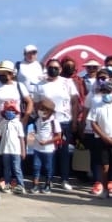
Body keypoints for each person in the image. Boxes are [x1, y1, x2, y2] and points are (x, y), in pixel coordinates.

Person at [37, 59, 80, 190]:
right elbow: (36, 104)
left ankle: (65, 179)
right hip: (47, 123)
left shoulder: (67, 82)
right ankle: (47, 179)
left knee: (64, 152)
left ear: (60, 69)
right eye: (51, 67)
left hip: (64, 121)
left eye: (56, 67)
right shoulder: (41, 84)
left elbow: (74, 102)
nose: (53, 69)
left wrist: (74, 120)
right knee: (48, 152)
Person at [86, 74, 112, 199]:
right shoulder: (97, 107)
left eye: (108, 91)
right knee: (104, 165)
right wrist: (104, 136)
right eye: (104, 91)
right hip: (101, 140)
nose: (106, 94)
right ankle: (104, 189)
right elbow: (93, 123)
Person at [0, 100, 28, 194]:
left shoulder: (18, 123)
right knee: (6, 168)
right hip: (5, 149)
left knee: (17, 168)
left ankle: (21, 185)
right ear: (4, 112)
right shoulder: (2, 123)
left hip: (16, 150)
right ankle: (7, 184)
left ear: (15, 112)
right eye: (8, 110)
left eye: (12, 110)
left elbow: (21, 138)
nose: (10, 112)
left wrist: (23, 151)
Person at [31, 98, 61, 193]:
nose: (41, 111)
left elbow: (59, 136)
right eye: (40, 109)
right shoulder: (37, 120)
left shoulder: (54, 122)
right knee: (36, 166)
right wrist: (33, 136)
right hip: (37, 148)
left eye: (44, 109)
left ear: (50, 112)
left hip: (48, 149)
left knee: (48, 167)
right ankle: (35, 185)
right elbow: (34, 131)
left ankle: (47, 184)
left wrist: (47, 142)